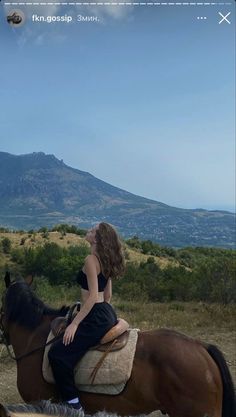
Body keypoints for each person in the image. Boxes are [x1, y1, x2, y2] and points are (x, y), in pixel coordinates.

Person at [48, 222, 125, 412]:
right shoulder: (105, 259)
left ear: (97, 239)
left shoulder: (91, 259)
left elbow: (91, 297)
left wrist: (74, 324)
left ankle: (74, 406)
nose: (88, 231)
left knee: (57, 354)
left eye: (92, 231)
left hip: (94, 315)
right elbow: (107, 296)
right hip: (106, 311)